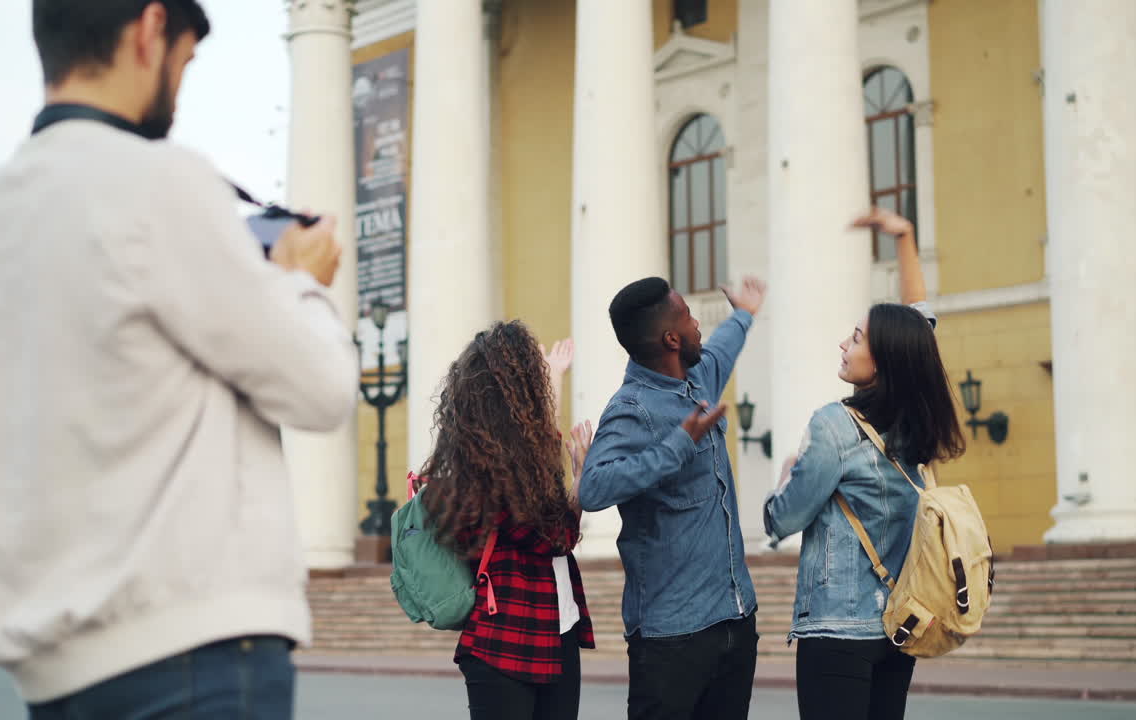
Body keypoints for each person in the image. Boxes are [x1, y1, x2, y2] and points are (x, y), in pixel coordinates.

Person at [0, 1, 358, 717]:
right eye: (184, 61)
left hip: (51, 666)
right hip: (193, 653)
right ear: (149, 31)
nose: (179, 88)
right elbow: (321, 390)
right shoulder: (159, 181)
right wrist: (299, 280)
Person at [763, 207, 967, 720]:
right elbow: (920, 323)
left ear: (884, 359)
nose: (844, 343)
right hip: (898, 624)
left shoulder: (835, 424)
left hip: (837, 629)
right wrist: (904, 239)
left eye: (856, 338)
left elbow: (783, 518)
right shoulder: (918, 416)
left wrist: (788, 472)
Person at [579, 275, 767, 720]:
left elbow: (721, 348)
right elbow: (593, 488)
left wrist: (744, 314)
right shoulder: (632, 409)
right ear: (670, 338)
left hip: (735, 620)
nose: (697, 322)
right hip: (672, 640)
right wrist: (678, 444)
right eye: (687, 316)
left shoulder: (698, 378)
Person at [413, 323, 596, 720]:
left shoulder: (501, 461)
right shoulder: (493, 475)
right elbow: (557, 535)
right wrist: (581, 478)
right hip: (509, 640)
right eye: (534, 382)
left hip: (548, 631)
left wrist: (556, 380)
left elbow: (541, 452)